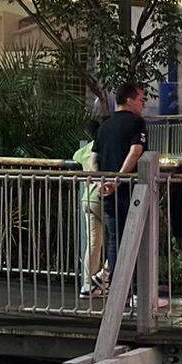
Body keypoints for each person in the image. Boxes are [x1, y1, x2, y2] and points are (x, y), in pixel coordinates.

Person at [94, 82, 147, 278]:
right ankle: (135, 291)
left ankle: (119, 292)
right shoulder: (136, 123)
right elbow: (136, 152)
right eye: (142, 100)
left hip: (108, 192)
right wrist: (119, 180)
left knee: (115, 240)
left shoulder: (105, 124)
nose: (144, 105)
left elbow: (94, 157)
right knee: (136, 240)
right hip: (131, 192)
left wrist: (101, 182)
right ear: (129, 99)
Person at [73, 120, 108, 297]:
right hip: (101, 197)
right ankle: (103, 276)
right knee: (126, 237)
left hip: (86, 197)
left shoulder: (86, 149)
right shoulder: (105, 145)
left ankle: (88, 285)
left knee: (94, 243)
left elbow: (75, 157)